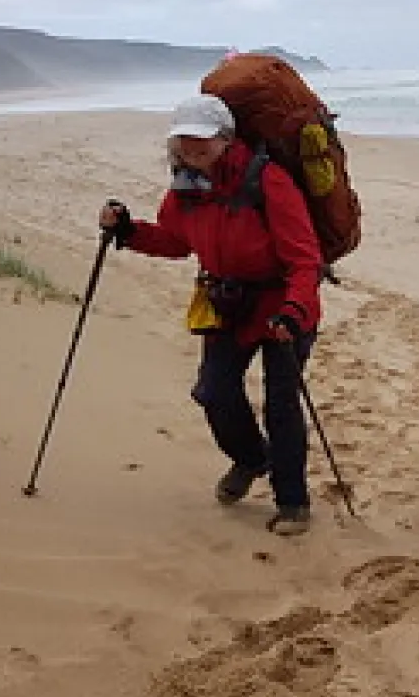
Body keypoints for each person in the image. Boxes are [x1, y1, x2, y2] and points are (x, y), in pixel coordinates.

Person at [98, 94, 324, 536]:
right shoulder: (185, 187)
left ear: (225, 139)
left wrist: (295, 312)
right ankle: (250, 459)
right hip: (227, 303)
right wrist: (127, 230)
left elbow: (305, 259)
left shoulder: (268, 180)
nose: (192, 150)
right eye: (183, 142)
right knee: (214, 391)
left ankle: (293, 503)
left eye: (201, 142)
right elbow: (175, 240)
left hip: (283, 305)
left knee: (281, 403)